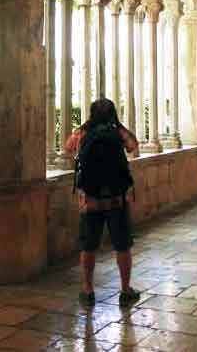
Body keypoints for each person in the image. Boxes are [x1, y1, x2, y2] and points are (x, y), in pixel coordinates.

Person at [74, 98, 140, 307]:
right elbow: (133, 146)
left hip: (90, 199)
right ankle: (125, 289)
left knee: (88, 245)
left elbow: (69, 147)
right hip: (116, 199)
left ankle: (87, 289)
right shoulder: (117, 131)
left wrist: (86, 128)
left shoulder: (85, 132)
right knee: (122, 245)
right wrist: (118, 126)